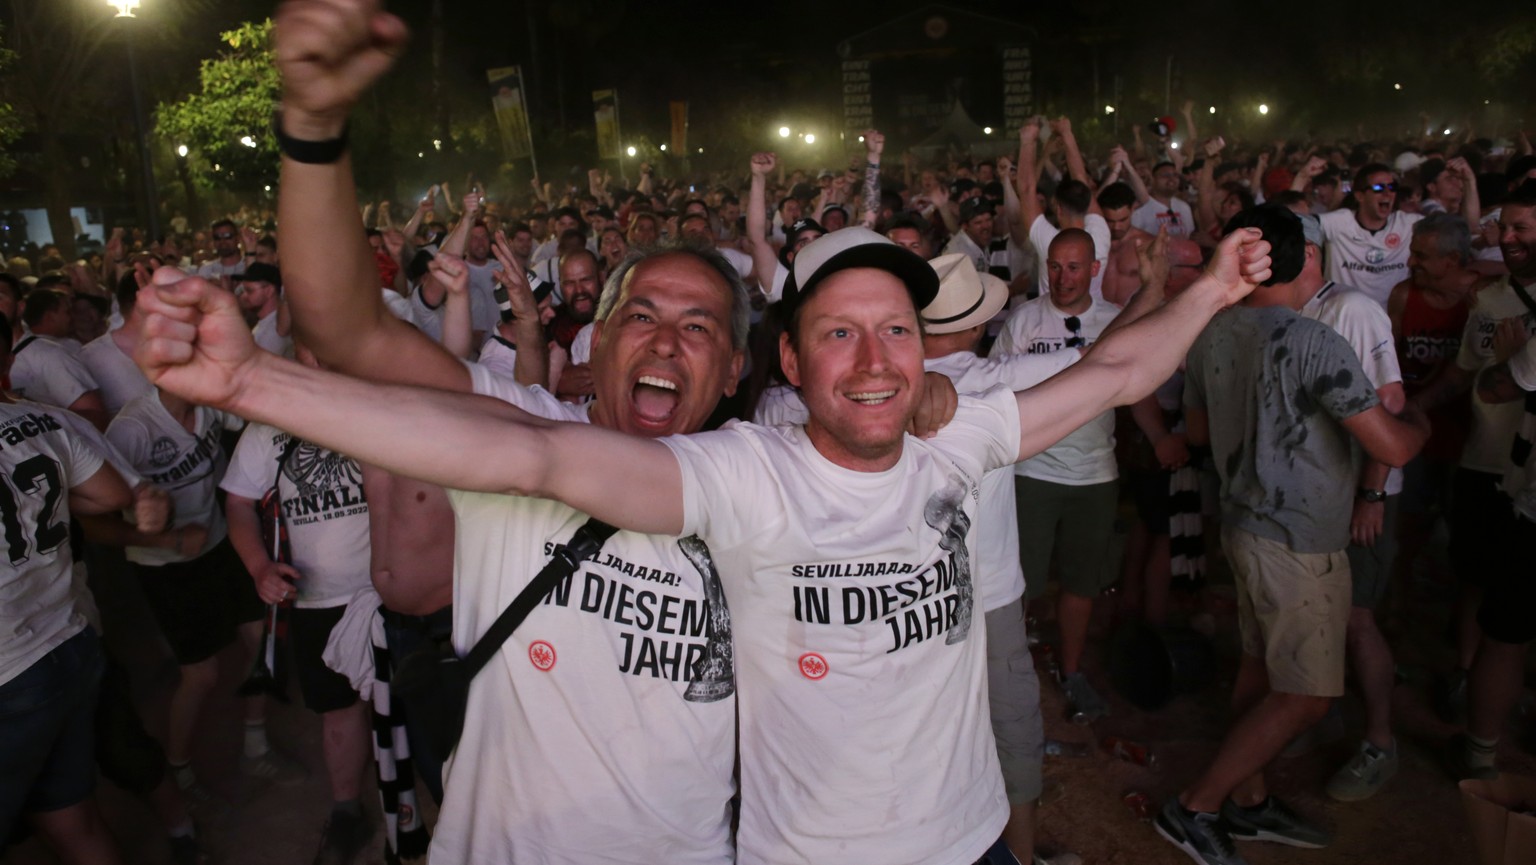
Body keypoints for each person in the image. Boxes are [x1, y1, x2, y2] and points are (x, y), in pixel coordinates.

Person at [139, 109, 1275, 865]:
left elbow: (1118, 368)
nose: (876, 358)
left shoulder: (957, 431)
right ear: (788, 365)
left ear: (735, 368)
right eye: (839, 333)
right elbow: (515, 448)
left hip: (925, 838)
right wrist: (250, 374)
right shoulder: (736, 473)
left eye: (896, 332)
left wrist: (1216, 288)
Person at [1157, 205, 1429, 865]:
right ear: (1292, 257)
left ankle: (1249, 800)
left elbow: (1193, 435)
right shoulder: (1312, 341)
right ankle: (1196, 805)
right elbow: (1391, 443)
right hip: (1299, 538)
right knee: (1307, 694)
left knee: (1260, 666)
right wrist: (1415, 418)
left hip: (1243, 525)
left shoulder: (1213, 333)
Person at [0, 311, 137, 865]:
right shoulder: (41, 421)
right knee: (73, 817)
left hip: (8, 671)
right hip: (68, 642)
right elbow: (111, 495)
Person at [991, 229, 1122, 723]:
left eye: (1074, 267)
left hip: (1095, 472)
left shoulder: (1113, 321)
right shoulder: (1025, 319)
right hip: (1033, 468)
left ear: (1095, 268)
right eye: (1055, 266)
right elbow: (996, 386)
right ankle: (1010, 674)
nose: (1062, 278)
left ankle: (1071, 670)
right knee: (1019, 579)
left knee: (1081, 583)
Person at [1318, 164, 1423, 307]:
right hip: (1344, 319)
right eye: (1378, 188)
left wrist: (1466, 182)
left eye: (1392, 187)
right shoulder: (1338, 223)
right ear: (1359, 195)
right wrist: (1302, 178)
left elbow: (1458, 234)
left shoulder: (1407, 224)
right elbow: (1291, 226)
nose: (1387, 193)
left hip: (1392, 322)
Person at [10, 288, 110, 430]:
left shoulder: (51, 354)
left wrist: (38, 422)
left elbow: (96, 417)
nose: (72, 318)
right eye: (67, 312)